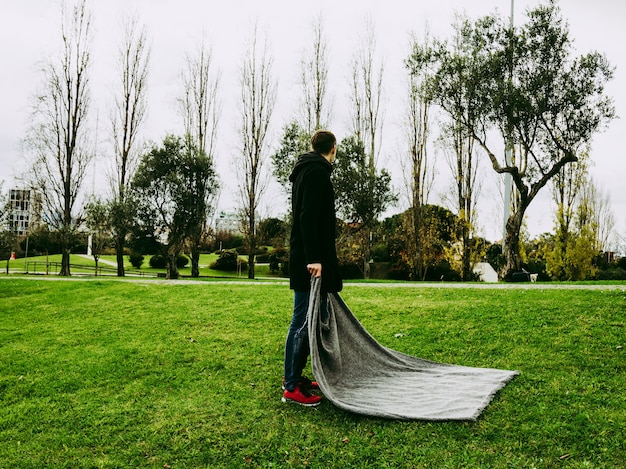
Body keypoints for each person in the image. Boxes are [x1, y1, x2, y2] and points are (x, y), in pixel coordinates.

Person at [282, 129, 343, 406]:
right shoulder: (317, 172)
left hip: (307, 257)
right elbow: (308, 217)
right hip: (309, 261)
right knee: (302, 322)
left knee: (312, 319)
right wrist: (314, 259)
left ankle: (297, 376)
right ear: (332, 147)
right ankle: (292, 386)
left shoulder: (306, 170)